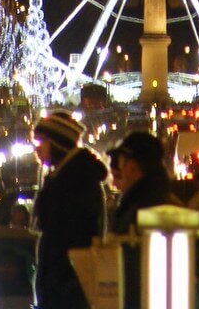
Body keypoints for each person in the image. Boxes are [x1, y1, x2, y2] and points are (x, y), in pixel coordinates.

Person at [31, 110, 108, 309]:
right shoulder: (66, 177)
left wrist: (58, 285)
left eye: (41, 143)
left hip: (67, 291)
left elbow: (69, 238)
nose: (37, 150)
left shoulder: (76, 181)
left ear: (57, 143)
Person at [107, 131, 182, 309]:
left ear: (132, 168)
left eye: (121, 164)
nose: (117, 172)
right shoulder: (157, 199)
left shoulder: (143, 209)